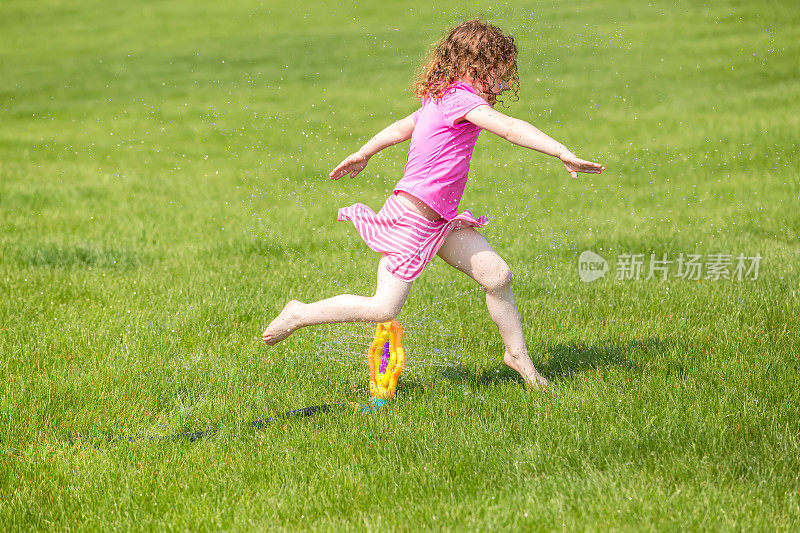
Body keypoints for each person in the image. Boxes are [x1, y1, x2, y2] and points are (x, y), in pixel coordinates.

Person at [262, 19, 604, 388]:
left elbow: (397, 129)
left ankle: (517, 357)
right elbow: (508, 127)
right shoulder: (458, 99)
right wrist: (561, 151)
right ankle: (299, 314)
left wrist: (364, 153)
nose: (505, 84)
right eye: (501, 74)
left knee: (497, 275)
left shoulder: (440, 97)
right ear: (476, 69)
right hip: (411, 220)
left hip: (441, 222)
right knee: (384, 308)